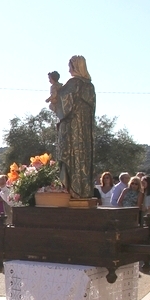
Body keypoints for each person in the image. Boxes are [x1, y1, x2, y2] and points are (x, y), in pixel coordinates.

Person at [53, 55, 96, 198]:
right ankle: (84, 190)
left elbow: (61, 104)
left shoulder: (73, 83)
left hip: (71, 128)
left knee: (70, 156)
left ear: (75, 66)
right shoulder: (89, 86)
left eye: (70, 65)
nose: (69, 69)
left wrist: (55, 91)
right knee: (83, 157)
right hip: (85, 131)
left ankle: (71, 190)